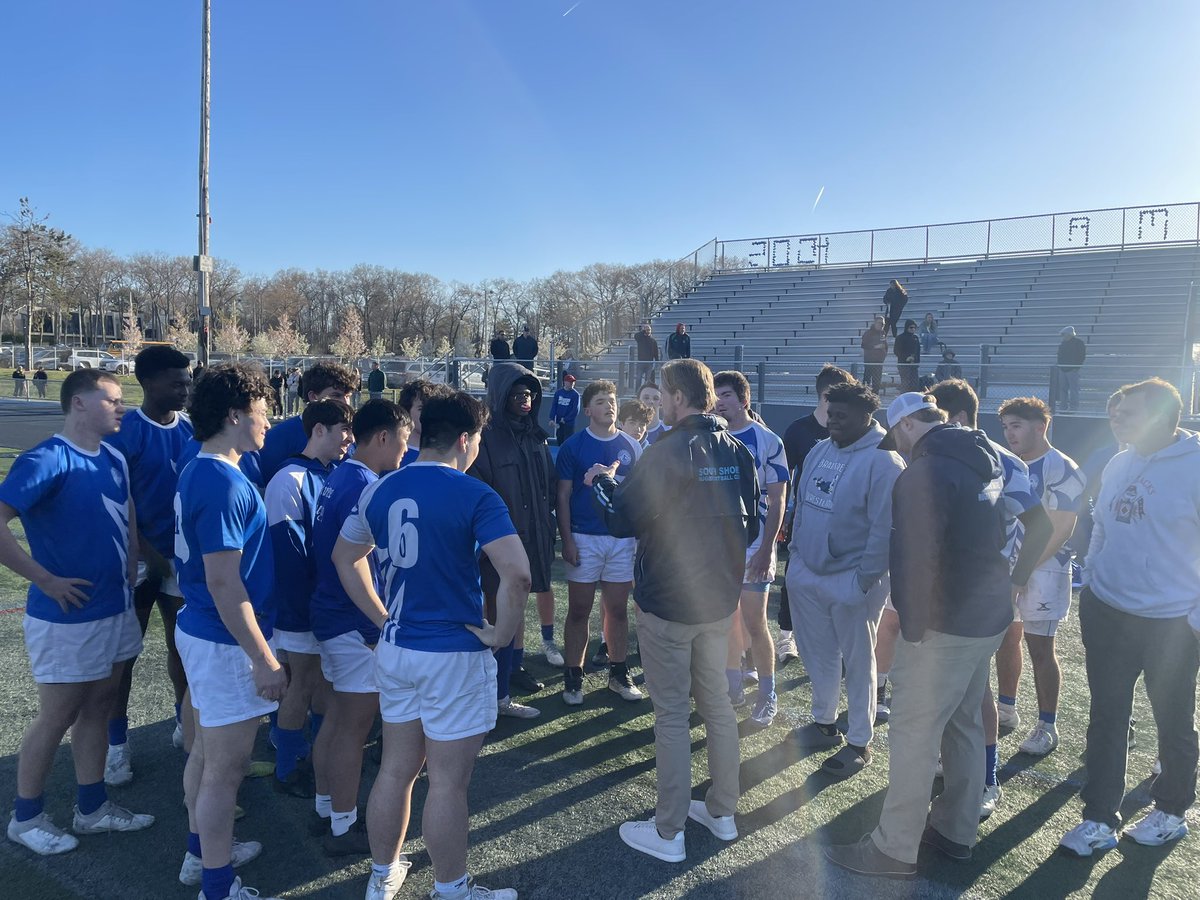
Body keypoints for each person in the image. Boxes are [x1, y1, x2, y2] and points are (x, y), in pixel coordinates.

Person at [332, 391, 529, 900]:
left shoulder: (379, 489)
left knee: (396, 769)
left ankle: (382, 876)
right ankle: (452, 889)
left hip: (399, 650)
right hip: (453, 655)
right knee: (446, 783)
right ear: (465, 440)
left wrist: (382, 616)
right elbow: (519, 574)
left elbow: (345, 556)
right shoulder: (474, 494)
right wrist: (502, 634)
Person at [825, 392, 1016, 878]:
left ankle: (893, 849)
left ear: (908, 425)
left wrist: (912, 626)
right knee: (965, 722)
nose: (899, 448)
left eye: (898, 436)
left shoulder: (924, 472)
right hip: (987, 614)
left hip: (944, 623)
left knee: (913, 733)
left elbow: (913, 557)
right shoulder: (984, 453)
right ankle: (955, 830)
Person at [589, 358, 758, 863]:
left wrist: (601, 481)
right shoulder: (737, 449)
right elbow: (747, 528)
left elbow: (623, 518)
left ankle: (669, 831)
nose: (655, 401)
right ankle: (722, 812)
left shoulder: (667, 450)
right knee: (718, 708)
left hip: (668, 602)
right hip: (716, 601)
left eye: (661, 393)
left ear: (678, 397)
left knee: (672, 717)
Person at [1, 369, 155, 857]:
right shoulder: (47, 458)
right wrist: (44, 579)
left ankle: (91, 809)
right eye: (111, 400)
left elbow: (126, 511)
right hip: (66, 617)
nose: (121, 407)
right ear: (79, 405)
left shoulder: (112, 455)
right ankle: (25, 818)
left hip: (115, 607)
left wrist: (133, 566)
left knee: (99, 704)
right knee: (58, 715)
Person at [1059, 378, 1200, 858]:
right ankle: (1098, 818)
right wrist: (1094, 580)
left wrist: (1194, 619)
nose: (1117, 419)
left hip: (1171, 623)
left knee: (1173, 721)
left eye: (1130, 413)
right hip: (1110, 611)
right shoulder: (1120, 461)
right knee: (1106, 717)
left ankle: (1172, 811)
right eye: (1116, 412)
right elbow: (1101, 526)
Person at [174, 363, 284, 900]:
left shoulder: (209, 470)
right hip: (222, 637)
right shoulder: (220, 479)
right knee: (225, 767)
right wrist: (263, 659)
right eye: (264, 411)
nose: (270, 421)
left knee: (205, 755)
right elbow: (224, 583)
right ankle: (216, 885)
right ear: (236, 415)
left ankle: (202, 856)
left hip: (203, 630)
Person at [924, 378, 1052, 819]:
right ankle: (960, 766)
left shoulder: (1003, 463)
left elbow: (1041, 526)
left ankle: (987, 779)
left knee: (976, 692)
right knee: (944, 690)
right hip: (941, 596)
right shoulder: (934, 456)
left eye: (931, 418)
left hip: (978, 599)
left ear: (955, 418)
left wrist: (1016, 580)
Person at [309, 400, 410, 855]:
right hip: (351, 621)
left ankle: (327, 806)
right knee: (354, 725)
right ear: (384, 437)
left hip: (332, 616)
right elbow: (357, 563)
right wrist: (378, 623)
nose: (407, 452)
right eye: (405, 441)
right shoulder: (364, 486)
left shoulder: (343, 475)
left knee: (336, 719)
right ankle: (343, 825)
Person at [788, 382, 904, 774]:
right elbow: (802, 504)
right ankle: (823, 722)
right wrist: (797, 559)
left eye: (842, 415)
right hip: (808, 573)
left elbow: (884, 528)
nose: (833, 421)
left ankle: (859, 741)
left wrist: (865, 579)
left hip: (853, 580)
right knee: (817, 654)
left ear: (867, 416)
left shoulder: (885, 460)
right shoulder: (821, 448)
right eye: (829, 411)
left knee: (858, 662)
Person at [103, 345, 194, 787]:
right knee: (125, 658)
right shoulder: (125, 432)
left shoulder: (191, 430)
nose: (184, 388)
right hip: (135, 563)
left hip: (179, 561)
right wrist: (149, 556)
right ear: (148, 382)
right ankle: (115, 748)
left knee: (185, 650)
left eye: (187, 380)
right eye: (176, 382)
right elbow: (119, 505)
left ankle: (184, 726)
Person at [265, 400, 354, 809]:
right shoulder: (288, 479)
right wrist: (306, 607)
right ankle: (288, 766)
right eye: (343, 430)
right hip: (303, 608)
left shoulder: (333, 474)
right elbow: (289, 555)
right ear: (319, 430)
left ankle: (318, 758)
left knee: (323, 687)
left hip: (327, 607)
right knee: (300, 685)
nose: (349, 439)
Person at [995, 397, 1084, 758]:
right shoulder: (1006, 464)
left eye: (1016, 425)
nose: (1008, 433)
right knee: (1005, 638)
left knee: (1041, 648)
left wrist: (1024, 571)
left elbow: (1061, 527)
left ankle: (1048, 725)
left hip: (1045, 569)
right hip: (1007, 568)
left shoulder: (1062, 467)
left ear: (1040, 426)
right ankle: (1006, 708)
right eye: (1004, 427)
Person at [468, 362, 559, 718]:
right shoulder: (486, 437)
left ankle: (505, 686)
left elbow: (547, 489)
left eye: (530, 393)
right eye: (518, 393)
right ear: (501, 395)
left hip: (531, 539)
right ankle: (489, 696)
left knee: (514, 612)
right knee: (494, 617)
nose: (526, 400)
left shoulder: (535, 437)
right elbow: (479, 490)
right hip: (496, 547)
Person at [556, 380, 645, 706]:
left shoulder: (633, 447)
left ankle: (618, 674)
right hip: (583, 537)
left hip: (621, 540)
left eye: (612, 400)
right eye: (601, 401)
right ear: (587, 409)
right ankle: (573, 675)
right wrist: (567, 540)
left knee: (617, 610)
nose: (609, 406)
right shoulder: (573, 447)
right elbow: (562, 497)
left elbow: (640, 498)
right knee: (579, 610)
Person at [713, 371, 788, 728]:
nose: (719, 401)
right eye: (715, 395)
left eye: (726, 394)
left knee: (756, 621)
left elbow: (778, 501)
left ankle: (767, 693)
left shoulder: (766, 439)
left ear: (743, 399)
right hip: (719, 546)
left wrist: (766, 549)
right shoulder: (711, 439)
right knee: (726, 619)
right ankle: (732, 684)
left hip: (755, 543)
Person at [776, 365, 855, 665]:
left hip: (845, 524)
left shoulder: (854, 430)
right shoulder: (799, 430)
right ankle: (786, 637)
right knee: (794, 578)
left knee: (840, 580)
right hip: (806, 520)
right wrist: (783, 516)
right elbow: (783, 478)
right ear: (823, 395)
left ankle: (836, 640)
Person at [258, 362, 357, 484]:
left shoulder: (353, 438)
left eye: (347, 396)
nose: (345, 403)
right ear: (313, 396)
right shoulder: (276, 438)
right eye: (336, 395)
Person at [398, 379, 454, 467]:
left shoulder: (447, 455)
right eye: (421, 408)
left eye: (432, 409)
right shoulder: (394, 453)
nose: (427, 413)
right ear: (406, 411)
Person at [1056, 326, 1087, 411]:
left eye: (1064, 334)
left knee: (1074, 390)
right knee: (1063, 389)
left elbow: (1081, 356)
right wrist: (1060, 365)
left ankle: (1074, 407)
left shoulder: (1078, 343)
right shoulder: (1063, 344)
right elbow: (1059, 356)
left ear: (1070, 334)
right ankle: (1063, 406)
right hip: (1063, 369)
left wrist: (1076, 367)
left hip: (1073, 370)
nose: (1063, 336)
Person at [548, 374, 581, 447]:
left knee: (568, 443)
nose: (572, 383)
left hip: (569, 424)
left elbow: (575, 410)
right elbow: (554, 406)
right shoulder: (558, 393)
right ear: (565, 382)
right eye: (570, 382)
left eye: (573, 382)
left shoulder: (575, 395)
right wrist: (552, 418)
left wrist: (566, 419)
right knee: (559, 440)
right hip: (559, 422)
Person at [860, 316, 888, 394]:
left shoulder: (883, 333)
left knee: (877, 381)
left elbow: (885, 345)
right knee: (867, 379)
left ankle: (875, 396)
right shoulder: (868, 333)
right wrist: (875, 347)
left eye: (883, 324)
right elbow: (863, 345)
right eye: (880, 323)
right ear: (875, 323)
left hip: (879, 361)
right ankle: (864, 395)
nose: (881, 325)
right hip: (870, 360)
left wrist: (885, 353)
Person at [894, 320, 920, 392]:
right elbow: (896, 351)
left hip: (913, 365)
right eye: (911, 327)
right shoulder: (900, 338)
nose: (913, 329)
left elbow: (918, 351)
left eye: (914, 328)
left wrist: (916, 360)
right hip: (903, 364)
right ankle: (904, 399)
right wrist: (906, 358)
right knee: (905, 383)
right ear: (906, 327)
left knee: (915, 384)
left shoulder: (915, 338)